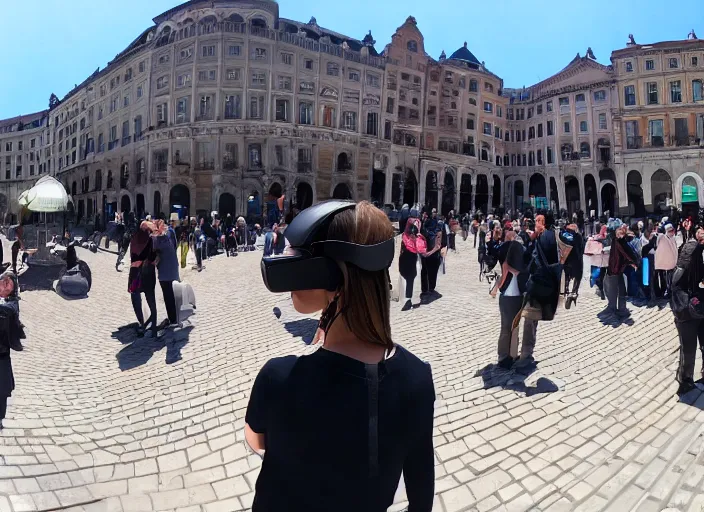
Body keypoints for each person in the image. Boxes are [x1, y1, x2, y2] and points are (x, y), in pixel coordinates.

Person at [247, 200, 435, 511]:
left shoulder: (279, 378)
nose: (288, 261)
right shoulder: (416, 379)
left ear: (335, 278)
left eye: (300, 256)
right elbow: (421, 491)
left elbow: (257, 441)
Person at [671, 227, 704, 396]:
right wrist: (689, 304)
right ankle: (686, 381)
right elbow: (675, 288)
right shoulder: (683, 267)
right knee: (688, 349)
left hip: (701, 310)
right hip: (687, 313)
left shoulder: (700, 259)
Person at [489, 228, 526, 369]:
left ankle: (512, 354)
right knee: (506, 327)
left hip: (517, 295)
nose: (513, 236)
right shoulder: (504, 253)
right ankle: (503, 356)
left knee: (514, 326)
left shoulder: (518, 254)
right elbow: (503, 268)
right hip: (507, 296)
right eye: (510, 235)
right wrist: (500, 284)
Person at [128, 222, 160, 337]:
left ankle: (142, 323)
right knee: (151, 300)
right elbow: (154, 257)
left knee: (136, 298)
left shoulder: (134, 239)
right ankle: (154, 328)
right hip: (148, 273)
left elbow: (132, 256)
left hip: (136, 273)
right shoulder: (151, 241)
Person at [0, 271, 24, 430]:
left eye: (8, 283)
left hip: (1, 354)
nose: (4, 285)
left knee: (1, 390)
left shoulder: (11, 304)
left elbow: (10, 310)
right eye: (2, 282)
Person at [603, 221, 637, 320]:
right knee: (615, 290)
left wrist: (632, 262)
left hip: (617, 269)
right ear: (615, 231)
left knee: (620, 290)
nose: (621, 231)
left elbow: (626, 251)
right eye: (619, 230)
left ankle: (620, 309)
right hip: (615, 269)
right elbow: (626, 252)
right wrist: (633, 261)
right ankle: (616, 309)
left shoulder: (619, 240)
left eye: (622, 230)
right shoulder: (617, 240)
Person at [152, 220, 180, 328]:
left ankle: (173, 320)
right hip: (173, 266)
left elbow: (154, 256)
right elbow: (175, 246)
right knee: (174, 294)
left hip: (164, 271)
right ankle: (176, 317)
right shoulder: (171, 232)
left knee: (168, 295)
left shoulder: (155, 240)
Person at [399, 217, 426, 311]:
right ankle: (407, 299)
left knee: (411, 279)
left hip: (412, 259)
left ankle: (408, 300)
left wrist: (414, 240)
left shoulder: (419, 238)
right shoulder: (404, 236)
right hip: (405, 258)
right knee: (405, 278)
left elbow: (420, 249)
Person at [655, 223, 678, 298]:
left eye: (673, 230)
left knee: (670, 279)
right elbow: (658, 236)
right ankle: (665, 292)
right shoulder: (662, 237)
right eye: (670, 231)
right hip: (664, 264)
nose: (672, 232)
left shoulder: (673, 238)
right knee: (664, 279)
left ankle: (669, 292)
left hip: (672, 263)